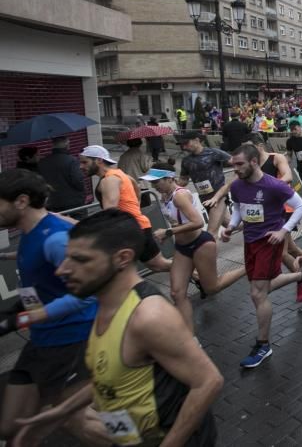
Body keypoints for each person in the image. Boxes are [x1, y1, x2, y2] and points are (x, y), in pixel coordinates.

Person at [13, 209, 221, 447]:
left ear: (122, 258)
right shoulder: (104, 304)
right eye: (68, 257)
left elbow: (208, 382)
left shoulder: (149, 316)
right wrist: (62, 411)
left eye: (81, 259)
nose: (62, 269)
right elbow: (108, 375)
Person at [0, 170, 96, 441]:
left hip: (73, 341)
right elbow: (34, 259)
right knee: (9, 427)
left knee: (77, 421)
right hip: (42, 341)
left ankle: (148, 437)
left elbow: (88, 293)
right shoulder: (32, 231)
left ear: (21, 201)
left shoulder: (55, 237)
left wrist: (34, 315)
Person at [222, 143, 302, 369]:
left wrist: (283, 231)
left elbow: (301, 206)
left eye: (240, 164)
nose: (236, 169)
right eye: (233, 165)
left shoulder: (273, 185)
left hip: (269, 241)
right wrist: (231, 227)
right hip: (250, 242)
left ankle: (263, 344)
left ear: (254, 162)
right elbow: (237, 208)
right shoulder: (237, 186)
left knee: (257, 293)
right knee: (263, 287)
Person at [142, 165, 245, 332]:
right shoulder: (165, 196)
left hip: (200, 245)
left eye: (157, 182)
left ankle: (248, 268)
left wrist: (168, 232)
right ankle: (189, 337)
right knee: (176, 293)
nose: (154, 186)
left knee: (212, 287)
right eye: (152, 183)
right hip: (182, 247)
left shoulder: (179, 196)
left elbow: (197, 222)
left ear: (169, 179)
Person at [79, 145, 172, 274]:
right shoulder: (120, 173)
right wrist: (134, 209)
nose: (81, 166)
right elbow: (136, 188)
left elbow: (110, 211)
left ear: (99, 160)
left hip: (128, 231)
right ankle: (196, 274)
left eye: (85, 162)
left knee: (118, 272)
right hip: (138, 225)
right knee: (158, 265)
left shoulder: (109, 180)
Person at [177, 131, 232, 236]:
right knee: (230, 224)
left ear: (197, 140)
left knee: (211, 233)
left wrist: (236, 181)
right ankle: (256, 225)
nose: (184, 147)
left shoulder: (214, 153)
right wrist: (172, 185)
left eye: (186, 143)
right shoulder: (186, 161)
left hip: (218, 196)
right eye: (182, 145)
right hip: (204, 198)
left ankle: (208, 251)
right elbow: (183, 180)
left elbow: (236, 162)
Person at [37, 136, 85, 213]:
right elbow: (78, 181)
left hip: (52, 202)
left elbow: (40, 181)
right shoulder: (72, 161)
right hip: (73, 202)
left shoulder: (42, 162)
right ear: (67, 145)